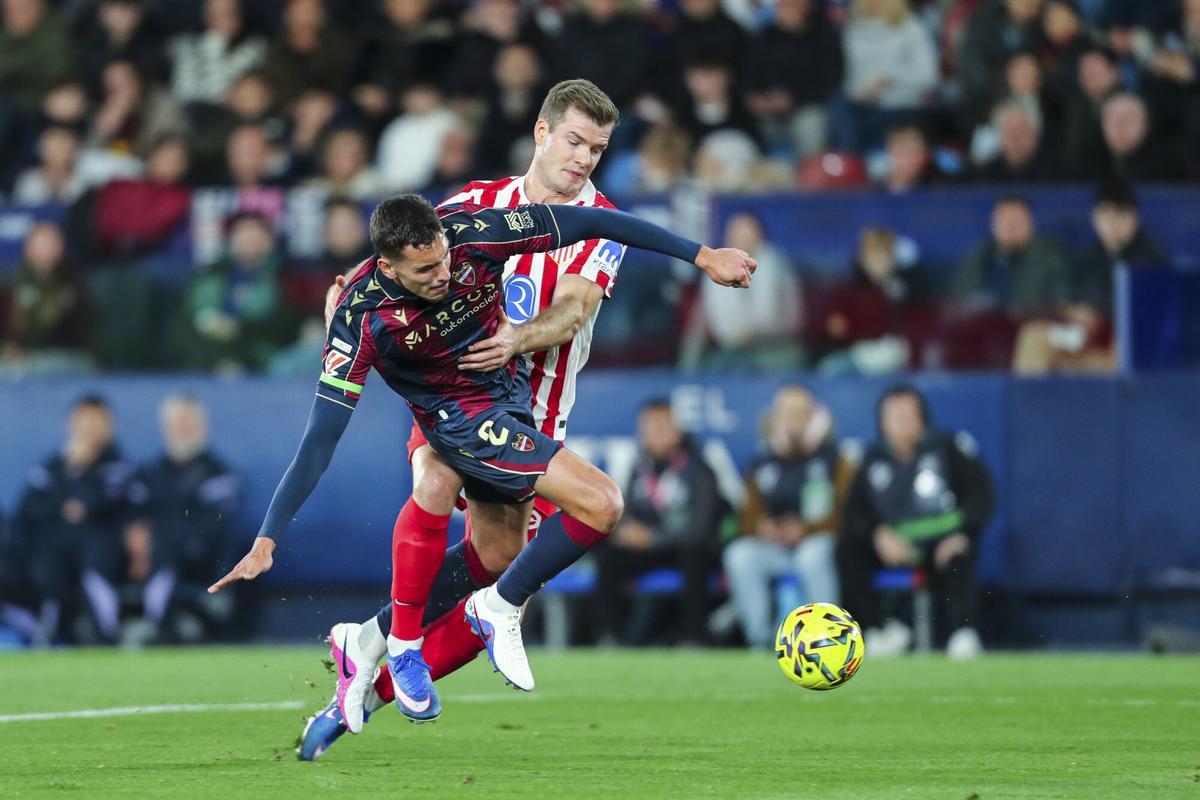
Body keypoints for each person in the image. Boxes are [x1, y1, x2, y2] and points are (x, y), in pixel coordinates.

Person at [207, 197, 753, 721]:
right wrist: (268, 537)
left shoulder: (475, 234)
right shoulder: (359, 318)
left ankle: (369, 640)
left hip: (509, 400)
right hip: (455, 419)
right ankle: (476, 616)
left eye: (441, 258)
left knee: (496, 552)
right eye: (423, 271)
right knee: (601, 503)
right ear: (389, 269)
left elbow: (594, 222)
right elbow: (319, 439)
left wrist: (703, 256)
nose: (441, 274)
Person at [291, 80, 656, 759]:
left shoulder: (601, 225)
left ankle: (366, 661)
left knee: (497, 557)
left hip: (534, 415)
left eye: (598, 149)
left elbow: (574, 308)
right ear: (542, 133)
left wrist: (519, 337)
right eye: (574, 141)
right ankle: (385, 650)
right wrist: (348, 285)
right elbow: (398, 253)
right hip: (452, 397)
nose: (583, 159)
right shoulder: (471, 203)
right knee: (432, 479)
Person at [836, 385, 995, 659]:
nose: (901, 421)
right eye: (893, 415)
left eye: (907, 414)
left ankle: (963, 633)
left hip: (941, 543)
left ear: (922, 416)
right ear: (882, 422)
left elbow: (982, 495)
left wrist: (962, 532)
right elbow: (854, 514)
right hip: (893, 548)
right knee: (846, 550)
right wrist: (877, 534)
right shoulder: (872, 459)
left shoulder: (948, 448)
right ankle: (881, 629)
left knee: (960, 555)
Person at [723, 386, 852, 649]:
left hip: (817, 543)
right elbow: (747, 516)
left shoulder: (834, 460)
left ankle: (826, 637)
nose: (793, 420)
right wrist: (763, 527)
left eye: (800, 412)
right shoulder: (762, 461)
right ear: (775, 418)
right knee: (740, 554)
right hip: (775, 549)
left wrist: (807, 529)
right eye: (787, 413)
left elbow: (847, 512)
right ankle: (760, 639)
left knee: (812, 555)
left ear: (814, 417)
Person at [592, 398, 723, 646]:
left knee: (695, 553)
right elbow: (627, 510)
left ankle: (694, 637)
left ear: (677, 429)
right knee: (608, 555)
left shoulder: (699, 470)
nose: (655, 433)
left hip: (686, 546)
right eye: (649, 427)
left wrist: (653, 538)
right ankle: (608, 636)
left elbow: (701, 529)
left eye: (662, 426)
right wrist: (627, 531)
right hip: (650, 549)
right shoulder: (640, 467)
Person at [13, 395, 137, 644]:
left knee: (94, 552)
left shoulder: (119, 465)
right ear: (71, 424)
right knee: (46, 558)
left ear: (109, 425)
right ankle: (51, 628)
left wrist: (79, 482)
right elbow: (29, 507)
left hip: (104, 555)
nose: (90, 428)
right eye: (85, 420)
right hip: (54, 559)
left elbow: (111, 502)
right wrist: (72, 471)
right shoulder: (54, 466)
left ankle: (104, 631)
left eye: (97, 420)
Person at [125, 395, 241, 643]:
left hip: (200, 561)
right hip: (142, 559)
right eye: (175, 423)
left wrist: (156, 539)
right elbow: (131, 513)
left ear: (202, 426)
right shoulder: (150, 471)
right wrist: (134, 536)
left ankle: (158, 624)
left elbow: (214, 527)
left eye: (187, 422)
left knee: (169, 540)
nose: (181, 429)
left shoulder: (218, 472)